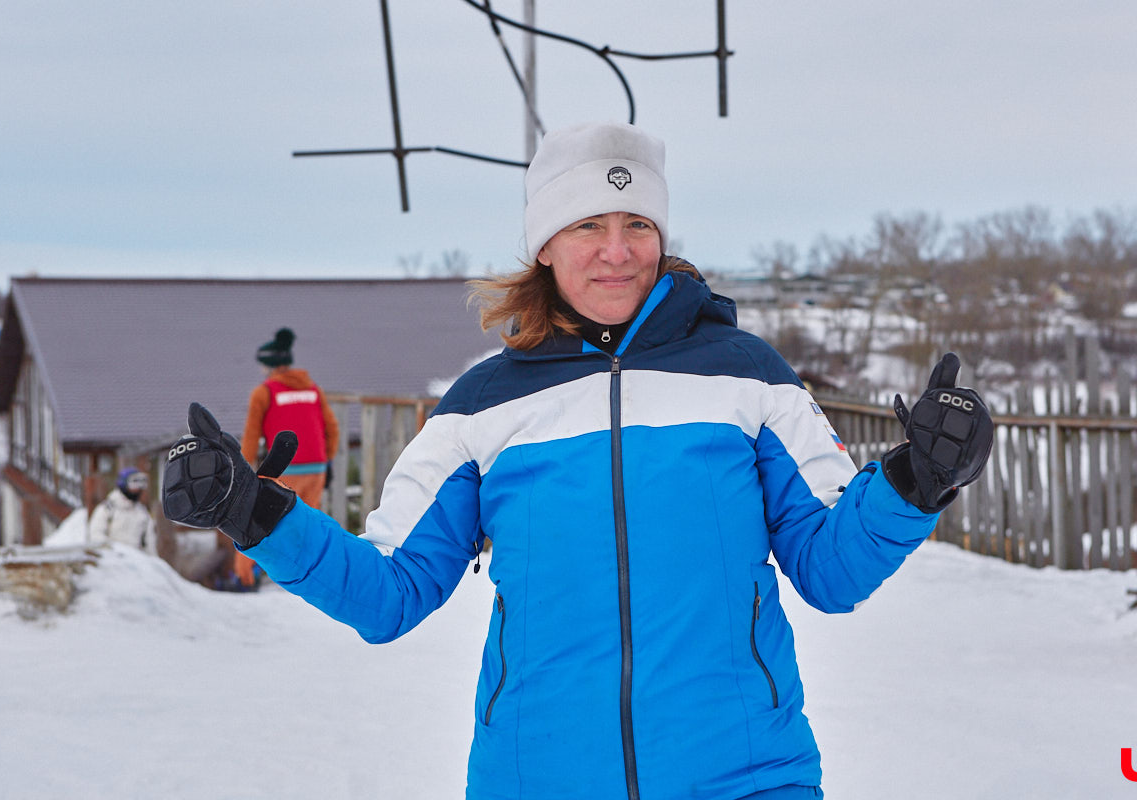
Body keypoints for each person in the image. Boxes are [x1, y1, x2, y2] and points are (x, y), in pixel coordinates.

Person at [161, 121, 993, 799]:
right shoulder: (480, 409)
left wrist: (916, 481)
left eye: (637, 225)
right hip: (537, 780)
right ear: (545, 248)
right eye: (588, 224)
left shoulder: (749, 377)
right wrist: (253, 511)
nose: (617, 250)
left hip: (746, 777)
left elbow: (830, 570)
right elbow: (389, 594)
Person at [231, 326, 339, 588]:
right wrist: (326, 460)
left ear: (271, 365)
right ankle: (314, 575)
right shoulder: (313, 390)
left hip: (283, 468)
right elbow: (332, 429)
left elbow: (250, 437)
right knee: (309, 524)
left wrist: (243, 472)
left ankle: (244, 577)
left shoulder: (264, 392)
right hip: (315, 468)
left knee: (259, 522)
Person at [88, 467, 157, 555]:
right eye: (134, 486)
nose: (138, 490)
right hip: (113, 562)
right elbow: (96, 536)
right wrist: (113, 553)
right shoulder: (107, 509)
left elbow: (149, 543)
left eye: (140, 487)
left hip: (136, 562)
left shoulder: (142, 513)